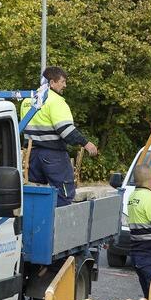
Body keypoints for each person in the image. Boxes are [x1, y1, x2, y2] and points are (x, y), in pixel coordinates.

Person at [19, 66, 97, 205]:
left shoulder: (27, 100)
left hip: (31, 155)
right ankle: (59, 219)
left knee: (35, 193)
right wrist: (86, 143)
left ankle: (36, 218)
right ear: (52, 82)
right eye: (62, 81)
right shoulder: (56, 101)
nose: (65, 85)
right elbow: (66, 130)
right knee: (64, 193)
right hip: (53, 155)